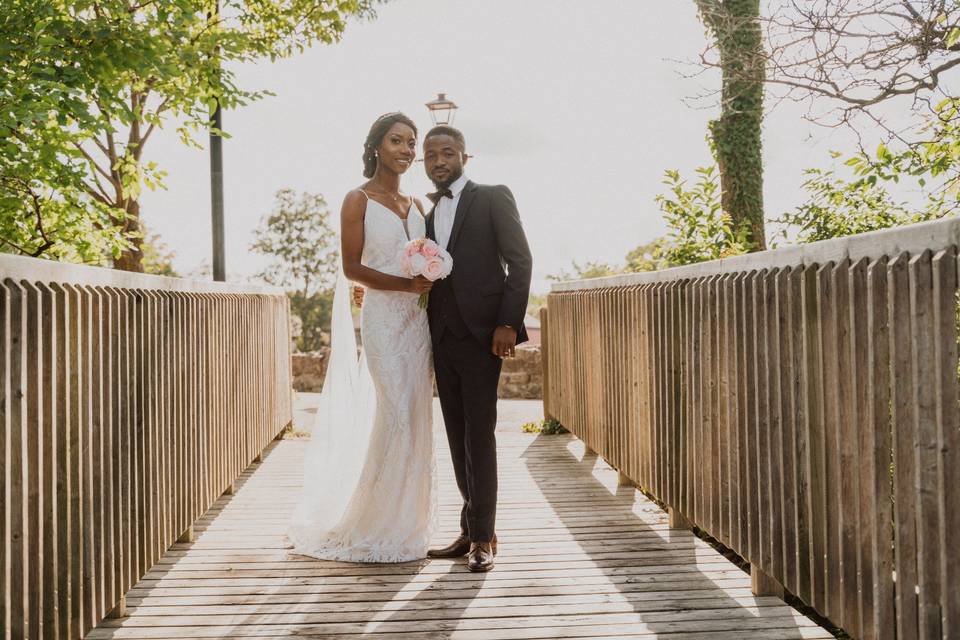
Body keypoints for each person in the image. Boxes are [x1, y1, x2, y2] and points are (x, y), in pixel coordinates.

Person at [287, 112, 437, 563]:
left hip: (419, 322)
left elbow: (427, 259)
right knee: (395, 413)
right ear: (376, 146)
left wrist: (427, 276)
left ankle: (407, 521)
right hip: (385, 322)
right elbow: (353, 267)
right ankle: (373, 522)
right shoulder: (358, 200)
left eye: (412, 143)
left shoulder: (418, 205)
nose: (407, 150)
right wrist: (405, 285)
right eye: (397, 141)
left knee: (416, 414)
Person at [422, 125, 533, 572]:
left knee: (479, 436)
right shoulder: (426, 214)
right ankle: (469, 527)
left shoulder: (492, 196)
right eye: (430, 155)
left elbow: (520, 260)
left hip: (484, 335)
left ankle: (485, 537)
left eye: (447, 152)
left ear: (466, 156)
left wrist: (508, 322)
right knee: (456, 435)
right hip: (443, 336)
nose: (438, 161)